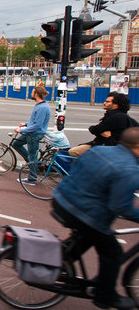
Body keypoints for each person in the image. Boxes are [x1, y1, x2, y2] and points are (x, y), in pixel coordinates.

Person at [52, 127, 139, 310]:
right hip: (83, 212)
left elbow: (77, 167)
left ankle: (57, 262)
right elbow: (120, 207)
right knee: (112, 252)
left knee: (88, 237)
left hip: (61, 199)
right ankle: (105, 297)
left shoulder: (100, 150)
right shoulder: (129, 169)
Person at [69, 92, 137, 157]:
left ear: (116, 105)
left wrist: (104, 134)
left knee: (73, 152)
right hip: (112, 147)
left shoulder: (116, 117)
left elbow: (94, 129)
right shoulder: (124, 116)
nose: (104, 103)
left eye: (107, 102)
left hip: (107, 147)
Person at [12, 85, 50, 185]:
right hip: (31, 132)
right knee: (16, 144)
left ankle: (32, 178)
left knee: (33, 156)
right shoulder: (40, 105)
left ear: (36, 94)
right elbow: (34, 122)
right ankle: (29, 163)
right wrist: (26, 124)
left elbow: (37, 125)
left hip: (34, 134)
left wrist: (22, 129)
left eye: (32, 92)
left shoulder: (42, 107)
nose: (31, 94)